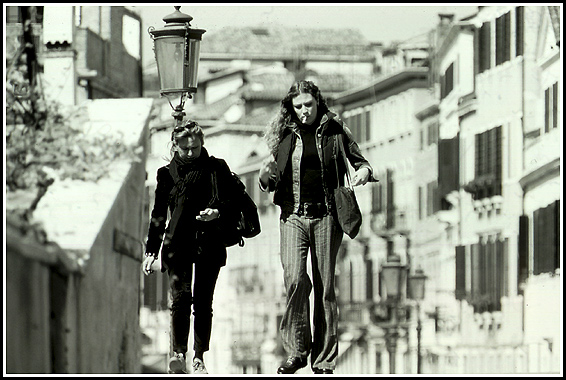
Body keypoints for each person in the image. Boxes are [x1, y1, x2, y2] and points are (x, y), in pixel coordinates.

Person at [259, 80, 374, 374]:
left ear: (317, 103)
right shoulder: (284, 135)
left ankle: (323, 361)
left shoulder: (335, 129)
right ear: (291, 108)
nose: (304, 111)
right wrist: (263, 174)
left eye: (308, 105)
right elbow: (270, 183)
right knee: (295, 279)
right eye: (298, 107)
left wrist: (363, 173)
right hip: (293, 216)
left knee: (324, 289)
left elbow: (362, 162)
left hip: (326, 217)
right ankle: (297, 350)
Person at [142, 121, 239, 374]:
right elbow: (158, 214)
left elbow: (232, 202)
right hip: (179, 245)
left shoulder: (216, 168)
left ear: (202, 143)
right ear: (175, 146)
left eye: (194, 147)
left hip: (210, 242)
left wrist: (216, 212)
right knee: (180, 301)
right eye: (184, 148)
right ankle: (179, 353)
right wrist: (151, 250)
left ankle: (199, 357)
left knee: (203, 302)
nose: (189, 152)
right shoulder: (166, 174)